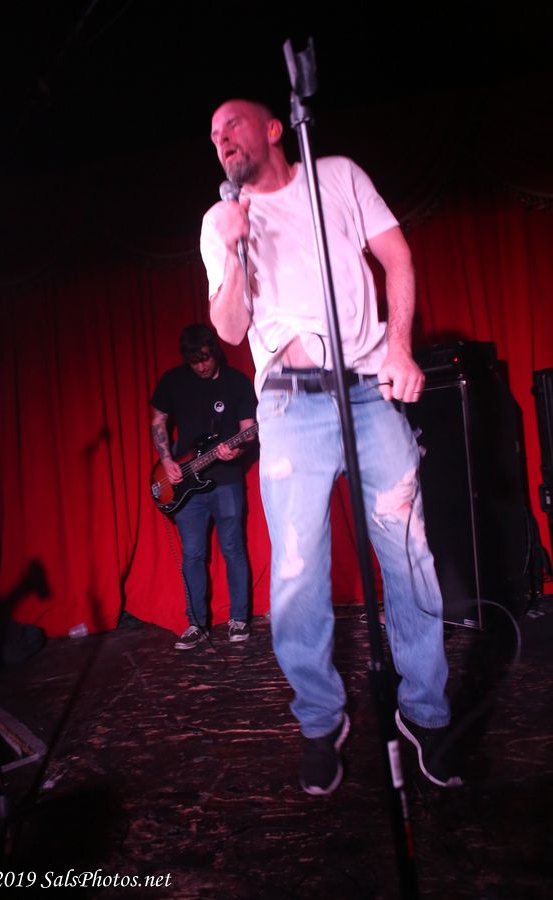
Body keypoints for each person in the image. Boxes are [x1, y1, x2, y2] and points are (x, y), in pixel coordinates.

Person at [200, 99, 463, 795]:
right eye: (214, 135)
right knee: (296, 573)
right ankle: (320, 721)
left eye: (233, 125)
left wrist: (400, 347)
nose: (222, 139)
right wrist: (232, 246)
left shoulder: (339, 176)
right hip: (290, 404)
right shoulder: (219, 220)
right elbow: (229, 328)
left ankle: (426, 713)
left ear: (274, 128)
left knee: (409, 553)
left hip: (370, 388)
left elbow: (397, 256)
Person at [151, 323, 257, 649]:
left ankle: (239, 619)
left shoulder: (237, 382)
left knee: (233, 548)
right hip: (185, 482)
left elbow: (249, 430)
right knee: (193, 555)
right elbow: (158, 419)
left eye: (205, 359)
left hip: (227, 480)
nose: (200, 366)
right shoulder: (173, 380)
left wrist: (236, 450)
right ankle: (196, 624)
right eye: (194, 361)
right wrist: (166, 460)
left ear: (215, 352)